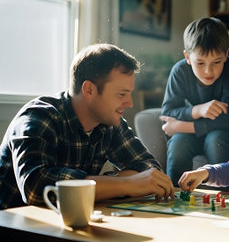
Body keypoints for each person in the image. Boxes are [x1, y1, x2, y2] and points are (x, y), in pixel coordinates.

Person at [0, 44, 174, 209]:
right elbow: (36, 188)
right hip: (14, 226)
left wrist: (109, 183)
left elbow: (150, 170)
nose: (129, 103)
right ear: (89, 90)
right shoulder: (39, 117)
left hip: (61, 223)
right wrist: (126, 184)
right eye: (122, 94)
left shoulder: (109, 123)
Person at [160, 17, 229, 184]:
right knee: (178, 143)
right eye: (200, 63)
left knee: (215, 140)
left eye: (216, 62)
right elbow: (168, 112)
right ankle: (174, 194)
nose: (208, 71)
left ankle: (224, 199)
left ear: (226, 55)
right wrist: (197, 110)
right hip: (205, 128)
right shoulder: (180, 71)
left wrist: (182, 126)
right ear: (188, 57)